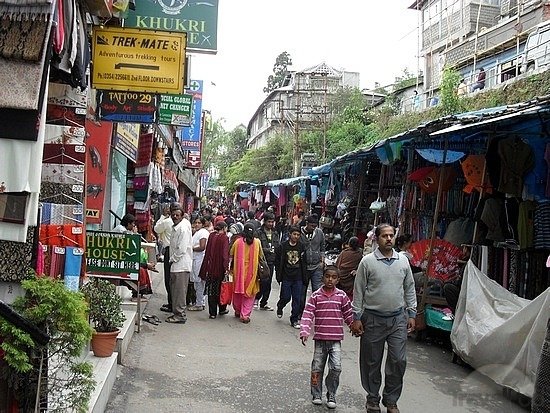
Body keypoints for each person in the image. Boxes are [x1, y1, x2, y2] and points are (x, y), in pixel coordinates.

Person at [350, 223, 417, 413]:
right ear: (376, 239)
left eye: (391, 236)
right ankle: (372, 398)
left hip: (397, 319)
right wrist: (356, 317)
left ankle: (391, 400)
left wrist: (412, 313)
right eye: (384, 236)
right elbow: (359, 291)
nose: (388, 239)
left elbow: (409, 288)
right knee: (371, 361)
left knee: (398, 360)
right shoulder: (367, 262)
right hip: (372, 318)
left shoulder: (402, 261)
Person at [299, 265, 354, 409]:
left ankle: (331, 393)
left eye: (334, 277)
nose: (330, 280)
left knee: (336, 368)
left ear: (338, 280)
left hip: (335, 340)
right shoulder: (316, 295)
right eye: (327, 276)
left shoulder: (342, 296)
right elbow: (308, 313)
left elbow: (349, 314)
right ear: (323, 278)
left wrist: (355, 326)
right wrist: (304, 330)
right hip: (320, 340)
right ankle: (316, 394)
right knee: (317, 368)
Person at [113, 213, 153, 301]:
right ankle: (136, 294)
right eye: (133, 224)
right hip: (118, 259)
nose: (134, 225)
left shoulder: (124, 230)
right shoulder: (121, 230)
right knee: (141, 270)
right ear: (128, 223)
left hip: (122, 257)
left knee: (143, 269)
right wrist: (135, 234)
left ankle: (139, 294)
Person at [229, 222, 262, 323]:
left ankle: (238, 310)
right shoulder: (257, 242)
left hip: (238, 273)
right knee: (249, 294)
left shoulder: (238, 242)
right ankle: (245, 315)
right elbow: (261, 255)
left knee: (238, 292)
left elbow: (231, 254)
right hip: (251, 273)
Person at [275, 226, 307, 328]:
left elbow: (304, 262)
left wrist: (304, 276)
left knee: (297, 299)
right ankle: (280, 305)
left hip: (298, 277)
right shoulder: (283, 246)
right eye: (294, 234)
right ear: (290, 234)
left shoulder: (302, 247)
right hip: (286, 276)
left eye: (298, 235)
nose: (296, 236)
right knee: (286, 296)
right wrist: (278, 274)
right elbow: (279, 261)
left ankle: (294, 319)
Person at [166, 206, 193, 324]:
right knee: (176, 291)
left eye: (177, 215)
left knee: (179, 291)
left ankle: (180, 315)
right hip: (177, 265)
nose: (175, 217)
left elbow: (181, 249)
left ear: (182, 216)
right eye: (173, 214)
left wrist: (173, 259)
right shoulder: (178, 226)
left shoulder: (183, 228)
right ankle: (177, 313)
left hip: (180, 265)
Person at [200, 221, 230, 319]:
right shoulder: (224, 238)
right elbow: (225, 255)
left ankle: (212, 313)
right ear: (224, 228)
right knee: (220, 289)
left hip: (210, 268)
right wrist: (226, 268)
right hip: (219, 269)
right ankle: (222, 309)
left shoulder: (211, 236)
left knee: (211, 291)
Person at [299, 214, 325, 319]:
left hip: (316, 267)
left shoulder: (319, 233)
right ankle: (300, 313)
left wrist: (322, 261)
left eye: (315, 226)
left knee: (317, 291)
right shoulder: (300, 233)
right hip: (303, 267)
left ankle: (316, 314)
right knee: (302, 293)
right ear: (307, 224)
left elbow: (322, 247)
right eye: (311, 226)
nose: (313, 228)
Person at [254, 212, 280, 310]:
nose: (270, 224)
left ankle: (264, 302)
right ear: (264, 221)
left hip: (271, 261)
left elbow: (277, 246)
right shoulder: (258, 232)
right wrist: (267, 250)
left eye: (272, 222)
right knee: (261, 281)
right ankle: (256, 299)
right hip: (260, 260)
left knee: (268, 282)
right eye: (269, 222)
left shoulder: (275, 233)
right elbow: (256, 247)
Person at [154, 205, 175, 313]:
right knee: (172, 279)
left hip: (169, 251)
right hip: (173, 251)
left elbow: (156, 228)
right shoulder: (180, 223)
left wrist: (162, 216)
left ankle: (171, 304)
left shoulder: (167, 221)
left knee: (168, 279)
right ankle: (172, 302)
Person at [188, 217, 210, 311]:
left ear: (203, 224)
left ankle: (199, 304)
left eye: (199, 223)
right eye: (195, 222)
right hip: (195, 259)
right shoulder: (197, 233)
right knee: (197, 283)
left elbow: (202, 247)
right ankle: (199, 302)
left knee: (199, 283)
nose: (197, 224)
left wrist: (190, 248)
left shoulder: (203, 233)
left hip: (199, 260)